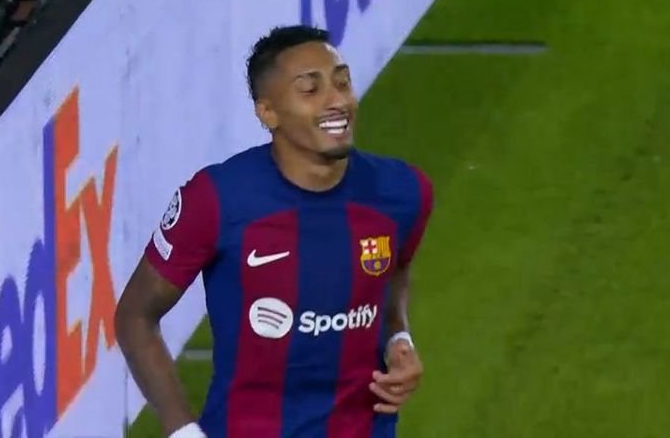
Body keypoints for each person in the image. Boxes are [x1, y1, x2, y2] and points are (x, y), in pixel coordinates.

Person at [115, 25, 435, 438]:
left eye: (342, 83)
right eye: (310, 89)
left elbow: (393, 273)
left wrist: (399, 339)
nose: (337, 100)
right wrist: (183, 431)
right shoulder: (217, 200)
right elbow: (135, 316)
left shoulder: (403, 192)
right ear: (268, 113)